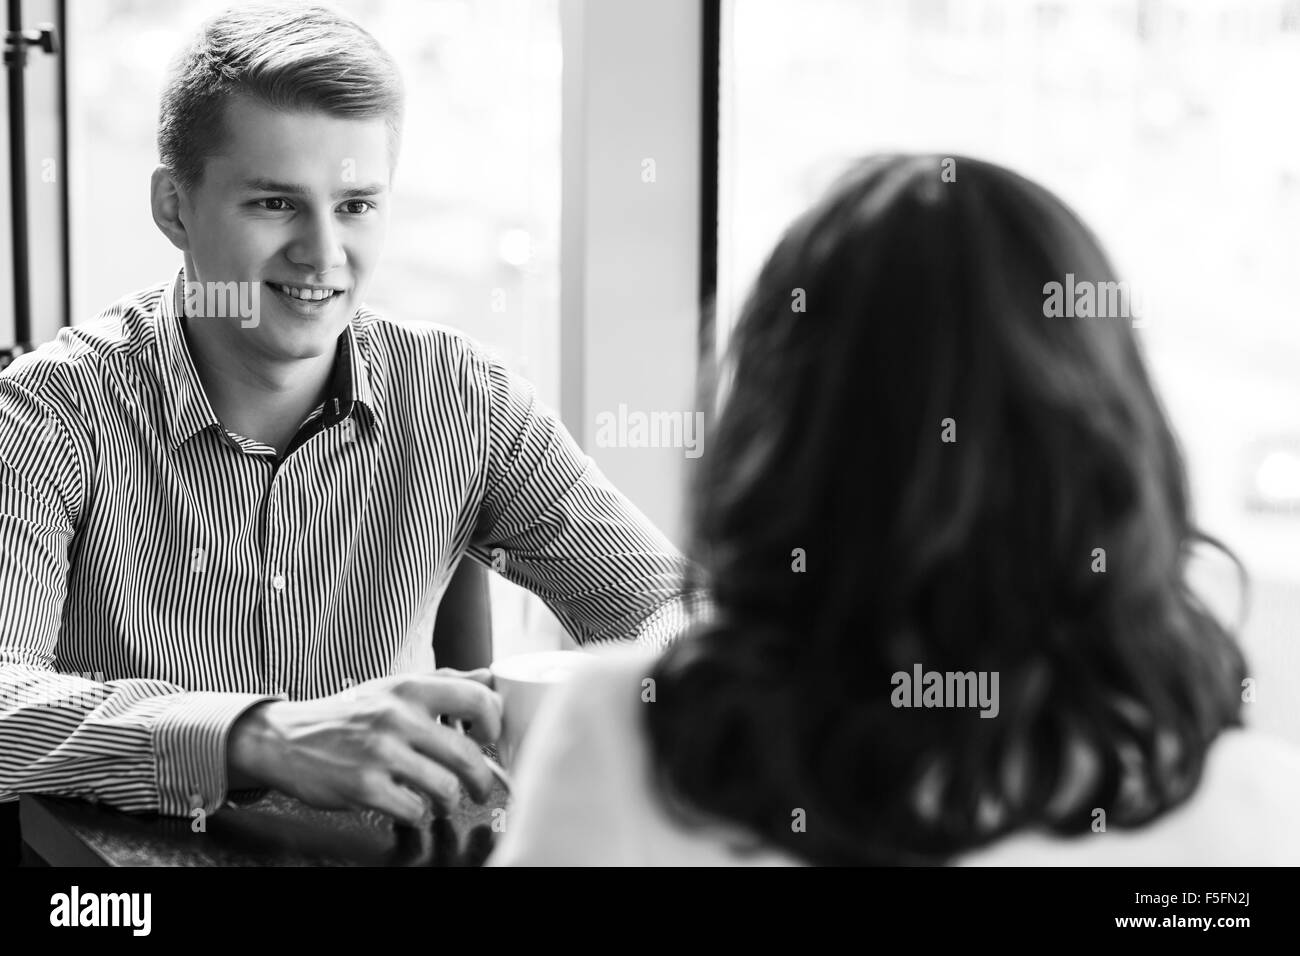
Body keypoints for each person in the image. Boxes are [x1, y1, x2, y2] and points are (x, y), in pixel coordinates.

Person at [0, 1, 699, 849]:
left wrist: (575, 698)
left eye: (358, 205)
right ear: (174, 208)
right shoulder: (50, 414)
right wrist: (257, 737)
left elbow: (671, 609)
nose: (323, 254)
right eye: (273, 204)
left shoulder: (464, 400)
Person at [490, 153, 1300, 866]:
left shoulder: (626, 742)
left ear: (774, 444)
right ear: (1120, 447)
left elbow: (661, 602)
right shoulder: (1251, 811)